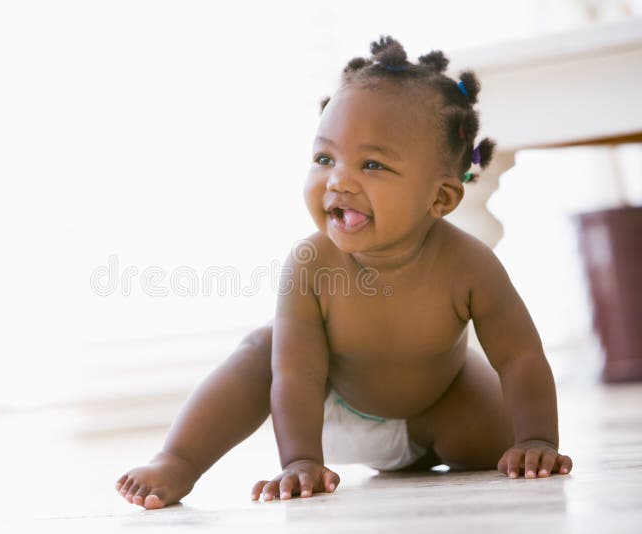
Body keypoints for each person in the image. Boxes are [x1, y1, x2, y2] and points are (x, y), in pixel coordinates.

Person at [115, 35, 573, 510]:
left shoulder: (471, 265)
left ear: (440, 198)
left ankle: (425, 458)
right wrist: (299, 460)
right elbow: (294, 373)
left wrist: (536, 439)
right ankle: (178, 460)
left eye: (371, 164)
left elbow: (519, 356)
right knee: (262, 350)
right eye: (324, 159)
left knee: (503, 433)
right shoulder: (312, 265)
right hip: (324, 410)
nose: (338, 181)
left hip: (435, 412)